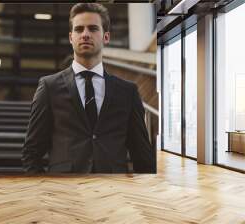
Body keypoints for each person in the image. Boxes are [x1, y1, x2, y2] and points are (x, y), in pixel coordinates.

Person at [22, 3, 156, 174]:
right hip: (66, 192)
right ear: (71, 38)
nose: (85, 34)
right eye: (79, 29)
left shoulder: (127, 91)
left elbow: (142, 156)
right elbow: (31, 152)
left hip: (113, 191)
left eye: (93, 29)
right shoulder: (49, 87)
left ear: (106, 37)